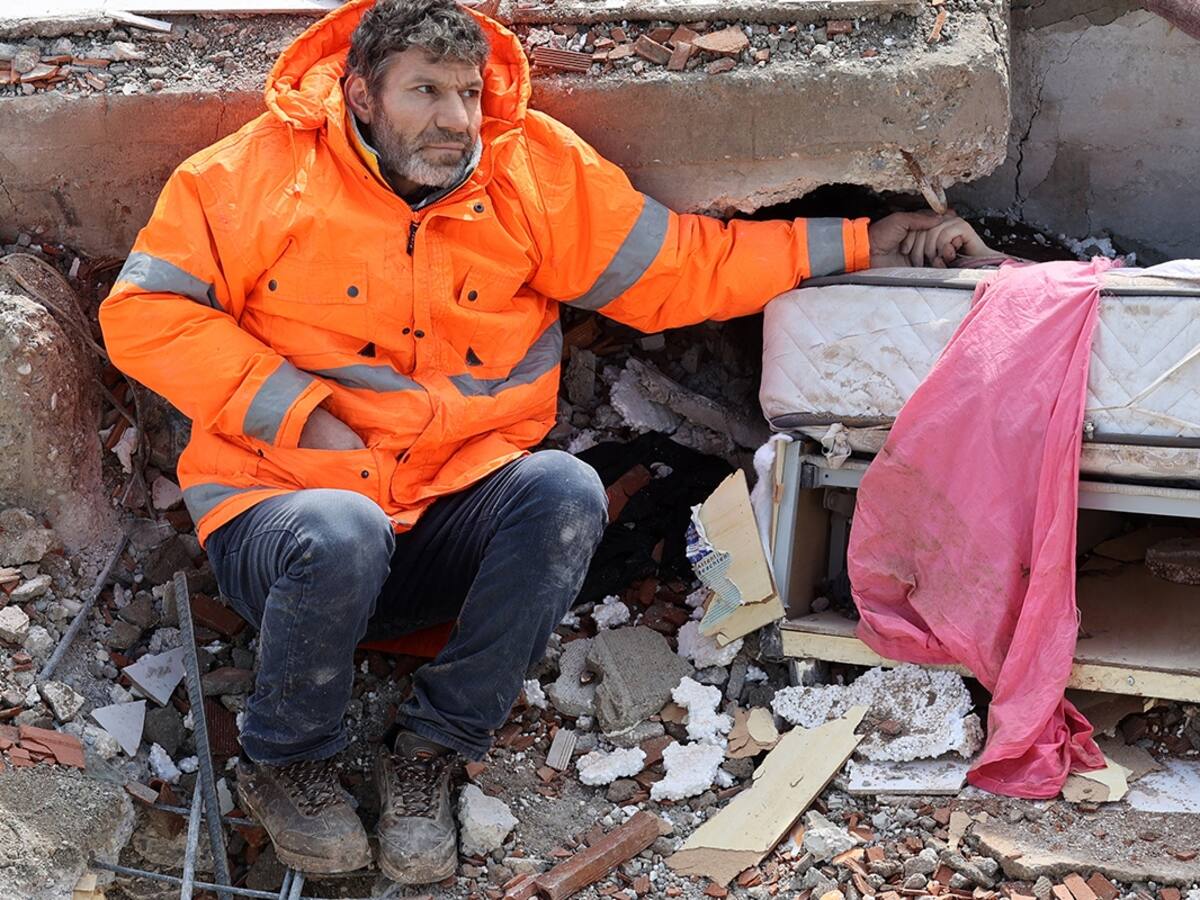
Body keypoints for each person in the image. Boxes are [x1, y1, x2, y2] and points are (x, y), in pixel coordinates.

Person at [99, 0, 987, 883]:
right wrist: (295, 410)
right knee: (341, 530)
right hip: (291, 534)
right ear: (360, 95)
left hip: (444, 526)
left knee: (564, 489)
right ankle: (288, 761)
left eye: (467, 92)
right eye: (424, 92)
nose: (454, 119)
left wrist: (873, 241)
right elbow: (141, 315)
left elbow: (683, 269)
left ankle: (433, 756)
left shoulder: (530, 173)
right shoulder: (251, 174)